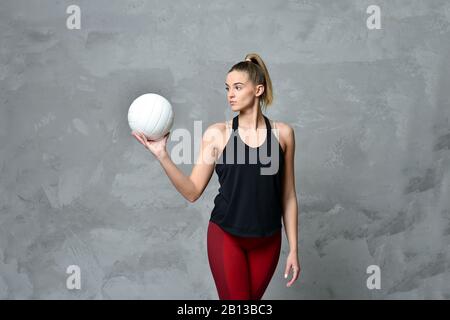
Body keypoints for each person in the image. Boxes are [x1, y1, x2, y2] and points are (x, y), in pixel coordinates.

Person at [132, 53, 300, 300]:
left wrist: (294, 249)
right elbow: (192, 191)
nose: (230, 94)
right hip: (226, 236)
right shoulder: (217, 134)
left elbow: (288, 196)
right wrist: (162, 155)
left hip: (268, 241)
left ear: (258, 90)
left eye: (238, 87)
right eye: (227, 88)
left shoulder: (283, 134)